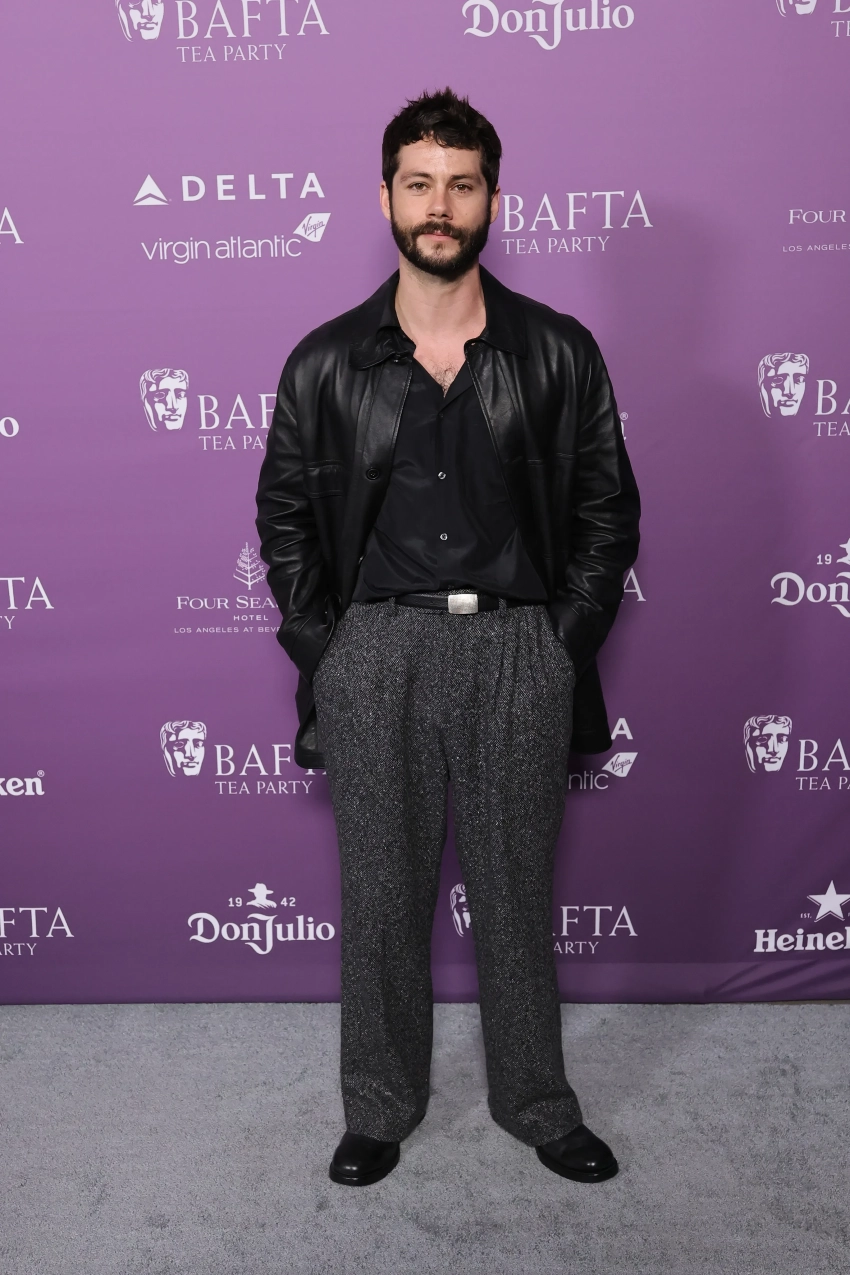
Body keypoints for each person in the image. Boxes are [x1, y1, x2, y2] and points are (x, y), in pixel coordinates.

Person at [256, 89, 640, 1187]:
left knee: (517, 896)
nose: (439, 205)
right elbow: (284, 516)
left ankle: (536, 1104)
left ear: (492, 201)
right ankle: (378, 1107)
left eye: (460, 185)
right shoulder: (326, 360)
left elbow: (609, 510)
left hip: (518, 647)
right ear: (384, 196)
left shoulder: (556, 351)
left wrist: (561, 643)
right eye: (419, 184)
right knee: (381, 899)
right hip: (375, 651)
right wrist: (328, 650)